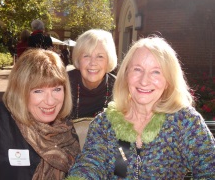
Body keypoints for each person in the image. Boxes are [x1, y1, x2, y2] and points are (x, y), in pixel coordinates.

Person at [66, 36, 215, 179]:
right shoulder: (105, 123)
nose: (144, 81)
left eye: (156, 72)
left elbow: (210, 168)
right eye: (137, 69)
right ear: (126, 74)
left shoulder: (185, 121)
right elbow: (91, 164)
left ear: (168, 80)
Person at [0, 49, 80, 180]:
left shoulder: (64, 129)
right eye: (38, 91)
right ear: (19, 90)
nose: (50, 101)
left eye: (57, 89)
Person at [67, 29, 117, 120]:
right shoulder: (63, 83)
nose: (93, 63)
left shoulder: (118, 88)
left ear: (109, 60)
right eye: (86, 56)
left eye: (100, 56)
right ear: (78, 59)